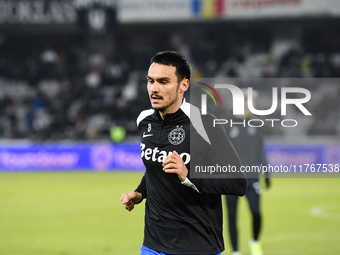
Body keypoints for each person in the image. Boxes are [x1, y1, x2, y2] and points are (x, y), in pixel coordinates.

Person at [120, 51, 247, 255]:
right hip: (153, 245)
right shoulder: (144, 121)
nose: (154, 88)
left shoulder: (205, 124)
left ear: (184, 85)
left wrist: (189, 175)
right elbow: (156, 169)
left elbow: (238, 183)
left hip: (199, 245)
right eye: (150, 81)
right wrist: (140, 193)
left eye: (163, 81)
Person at [224, 89, 271, 255]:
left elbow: (260, 151)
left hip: (252, 178)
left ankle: (255, 242)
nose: (254, 105)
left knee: (256, 212)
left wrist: (267, 173)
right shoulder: (226, 124)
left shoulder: (256, 124)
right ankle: (236, 251)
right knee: (231, 216)